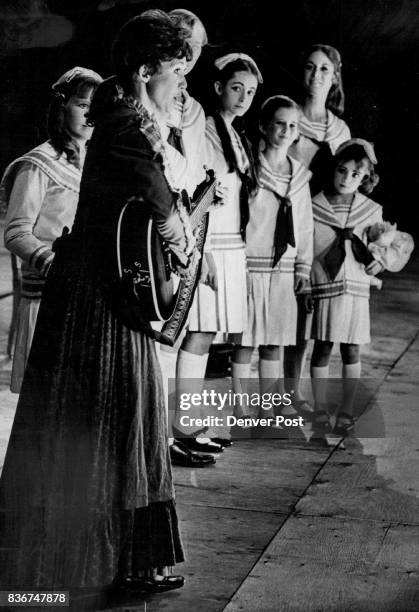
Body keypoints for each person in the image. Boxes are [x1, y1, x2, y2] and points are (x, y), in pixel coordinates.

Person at [0, 10, 198, 594]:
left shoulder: (120, 118)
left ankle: (109, 562)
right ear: (145, 71)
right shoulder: (128, 128)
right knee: (117, 416)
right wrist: (179, 235)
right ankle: (99, 566)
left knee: (108, 418)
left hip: (98, 291)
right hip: (102, 300)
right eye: (177, 74)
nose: (182, 87)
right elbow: (158, 199)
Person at [173, 53, 262, 448]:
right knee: (200, 331)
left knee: (210, 334)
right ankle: (183, 426)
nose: (243, 96)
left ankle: (190, 424)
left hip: (232, 245)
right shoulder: (205, 130)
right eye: (236, 87)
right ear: (218, 88)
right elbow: (195, 192)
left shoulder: (237, 135)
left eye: (250, 91)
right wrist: (202, 249)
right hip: (211, 243)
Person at [1, 67, 103, 392]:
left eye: (96, 108)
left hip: (87, 298)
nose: (90, 115)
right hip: (48, 297)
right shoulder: (38, 164)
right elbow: (17, 233)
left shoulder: (98, 163)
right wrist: (56, 266)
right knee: (47, 399)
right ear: (63, 107)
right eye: (82, 105)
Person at [232, 96, 312, 419]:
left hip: (283, 268)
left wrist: (302, 269)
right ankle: (240, 405)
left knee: (275, 339)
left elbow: (304, 226)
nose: (286, 130)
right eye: (279, 123)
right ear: (264, 126)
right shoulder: (250, 168)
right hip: (253, 263)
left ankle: (270, 406)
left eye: (292, 126)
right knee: (246, 339)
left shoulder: (301, 176)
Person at [285, 43, 351, 415]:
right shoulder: (288, 114)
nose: (316, 76)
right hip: (287, 220)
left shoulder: (339, 129)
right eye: (310, 67)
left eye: (324, 70)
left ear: (335, 77)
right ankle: (283, 396)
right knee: (287, 311)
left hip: (321, 229)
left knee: (312, 314)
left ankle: (303, 398)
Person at [309, 139, 384, 434]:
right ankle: (319, 408)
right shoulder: (315, 206)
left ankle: (347, 408)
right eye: (342, 171)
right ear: (334, 168)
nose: (346, 179)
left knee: (352, 348)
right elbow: (308, 244)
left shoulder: (370, 210)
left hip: (355, 286)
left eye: (356, 175)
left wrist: (378, 260)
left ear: (365, 178)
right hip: (326, 283)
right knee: (323, 346)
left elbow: (378, 247)